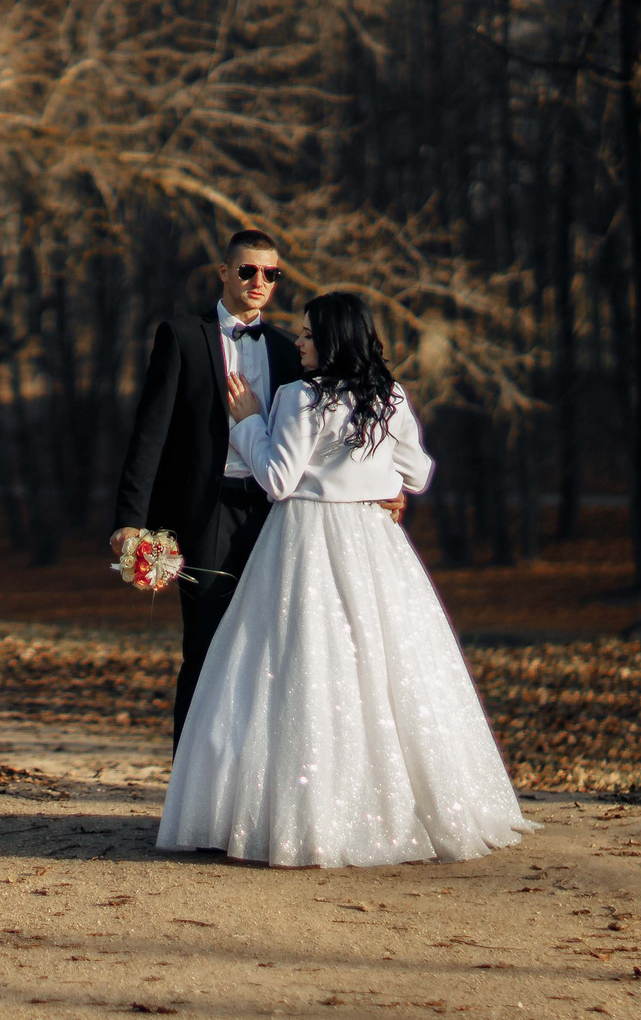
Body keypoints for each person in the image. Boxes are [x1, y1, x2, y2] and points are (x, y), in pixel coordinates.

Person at [156, 290, 535, 868]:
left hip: (304, 541)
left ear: (331, 339)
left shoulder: (299, 397)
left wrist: (248, 422)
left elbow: (278, 479)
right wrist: (382, 481)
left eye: (308, 334)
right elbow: (421, 472)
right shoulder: (390, 395)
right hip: (373, 543)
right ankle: (397, 808)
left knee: (300, 669)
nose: (300, 343)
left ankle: (298, 814)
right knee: (382, 668)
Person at [111, 229, 304, 744]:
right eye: (248, 270)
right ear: (224, 273)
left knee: (272, 650)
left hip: (277, 512)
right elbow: (149, 435)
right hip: (207, 512)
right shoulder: (181, 336)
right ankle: (189, 798)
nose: (260, 281)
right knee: (205, 646)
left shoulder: (290, 349)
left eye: (271, 273)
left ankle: (248, 791)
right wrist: (130, 520)